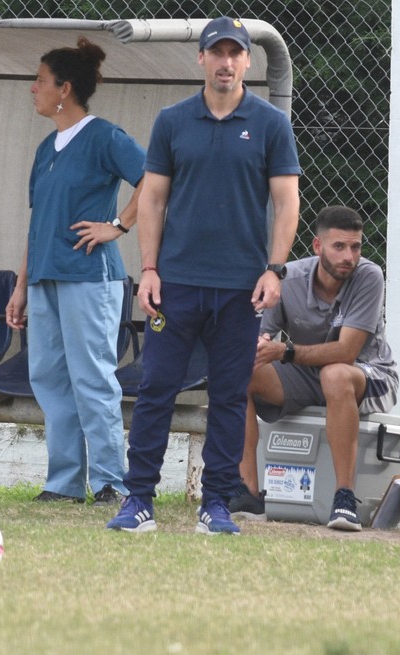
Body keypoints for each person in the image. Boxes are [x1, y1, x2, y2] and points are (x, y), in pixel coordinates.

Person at [107, 16, 301, 535]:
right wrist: (148, 269)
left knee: (231, 395)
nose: (226, 62)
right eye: (217, 52)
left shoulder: (269, 124)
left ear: (246, 61)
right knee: (156, 389)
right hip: (176, 283)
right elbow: (152, 197)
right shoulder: (172, 121)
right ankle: (138, 499)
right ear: (201, 58)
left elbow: (287, 203)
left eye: (236, 53)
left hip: (242, 286)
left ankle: (215, 503)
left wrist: (275, 269)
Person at [5, 37, 145, 506]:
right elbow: (36, 222)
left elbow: (157, 180)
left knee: (92, 378)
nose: (33, 90)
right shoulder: (47, 147)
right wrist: (20, 288)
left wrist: (117, 226)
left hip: (90, 278)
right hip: (45, 279)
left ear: (64, 89)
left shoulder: (105, 136)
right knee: (49, 379)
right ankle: (64, 483)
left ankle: (111, 482)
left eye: (40, 81)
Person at [228, 205, 396, 531]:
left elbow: (346, 352)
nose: (349, 256)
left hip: (369, 373)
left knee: (335, 374)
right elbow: (264, 336)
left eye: (356, 246)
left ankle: (344, 499)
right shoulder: (288, 278)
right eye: (339, 246)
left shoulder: (369, 276)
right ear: (318, 247)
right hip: (307, 372)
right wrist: (256, 347)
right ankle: (247, 492)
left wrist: (284, 352)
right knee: (238, 371)